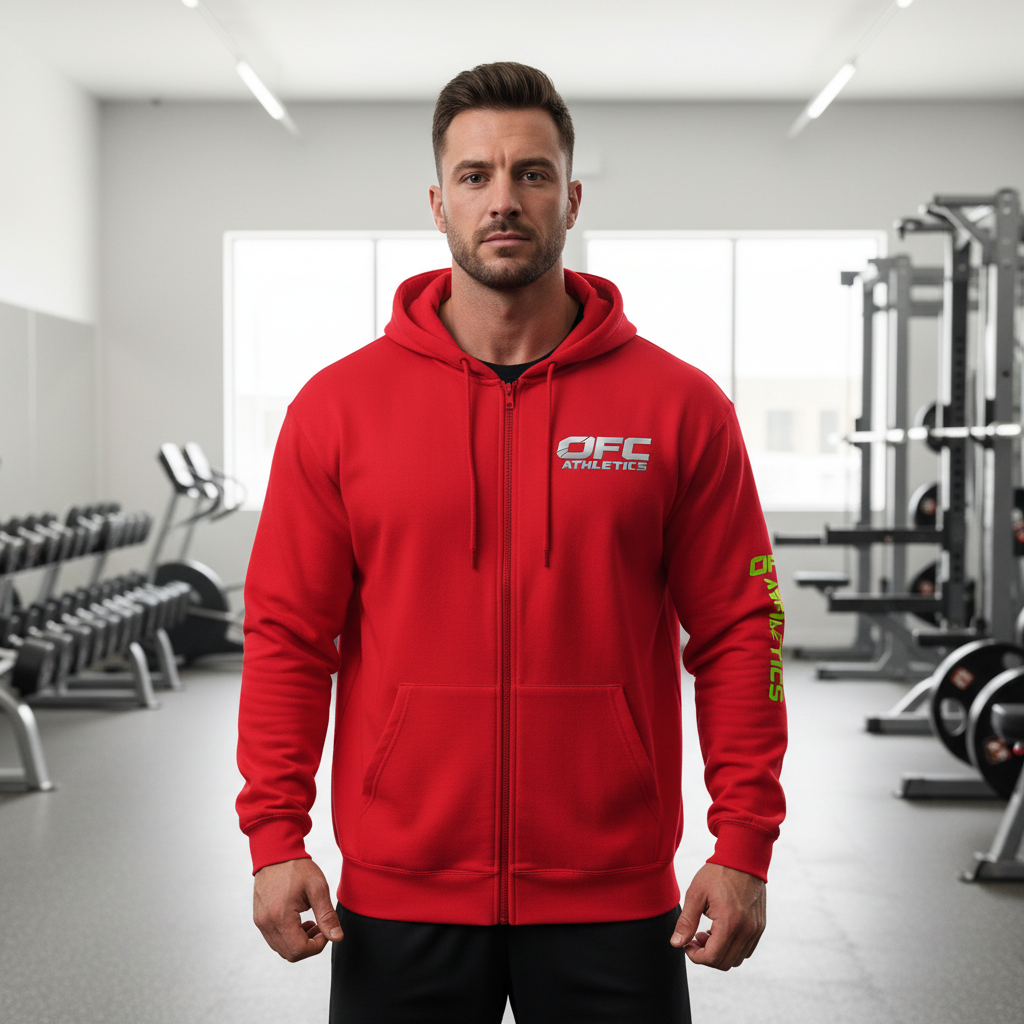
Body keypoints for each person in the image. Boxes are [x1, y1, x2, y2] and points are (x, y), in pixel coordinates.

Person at [236, 61, 787, 1023]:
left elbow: (743, 629)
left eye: (531, 174)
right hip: (399, 895)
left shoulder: (679, 407)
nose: (505, 199)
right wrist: (277, 837)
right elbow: (288, 634)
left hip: (615, 898)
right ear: (438, 200)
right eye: (477, 175)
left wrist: (741, 841)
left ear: (570, 198)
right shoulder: (337, 410)